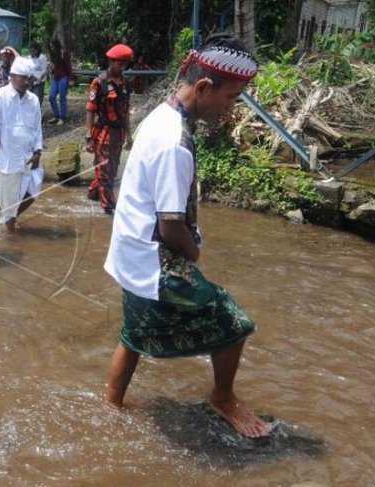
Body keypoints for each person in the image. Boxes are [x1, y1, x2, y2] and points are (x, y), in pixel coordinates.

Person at [103, 35, 271, 438]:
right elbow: (171, 224)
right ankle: (223, 397)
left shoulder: (158, 116)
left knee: (134, 331)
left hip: (128, 251)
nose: (231, 110)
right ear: (202, 88)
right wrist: (193, 254)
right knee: (235, 323)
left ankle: (111, 403)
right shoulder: (176, 142)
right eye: (230, 99)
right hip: (152, 259)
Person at [0, 57, 43, 234]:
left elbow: (37, 127)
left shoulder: (33, 100)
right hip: (6, 159)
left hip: (29, 156)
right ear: (13, 76)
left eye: (29, 78)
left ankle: (10, 219)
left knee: (34, 190)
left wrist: (38, 150)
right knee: (8, 201)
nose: (27, 82)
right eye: (23, 78)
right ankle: (9, 230)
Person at [86, 44, 134, 216]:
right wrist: (88, 137)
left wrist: (129, 135)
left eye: (125, 65)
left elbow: (126, 111)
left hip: (118, 134)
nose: (123, 68)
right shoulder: (99, 83)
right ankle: (108, 207)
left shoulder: (126, 84)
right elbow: (90, 110)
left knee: (112, 168)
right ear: (111, 61)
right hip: (103, 133)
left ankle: (93, 193)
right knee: (105, 169)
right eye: (120, 64)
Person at [48, 38, 72, 125]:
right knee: (51, 97)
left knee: (62, 97)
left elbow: (69, 66)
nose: (51, 48)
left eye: (53, 46)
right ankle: (56, 115)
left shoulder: (63, 53)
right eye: (50, 47)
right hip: (56, 78)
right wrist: (52, 70)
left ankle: (62, 117)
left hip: (64, 77)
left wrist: (71, 79)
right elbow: (55, 67)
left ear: (57, 46)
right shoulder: (53, 54)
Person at [29, 42, 48, 107]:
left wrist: (39, 80)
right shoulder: (29, 58)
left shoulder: (42, 57)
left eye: (33, 51)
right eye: (31, 51)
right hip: (31, 80)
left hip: (39, 81)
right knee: (30, 98)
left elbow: (44, 70)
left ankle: (37, 114)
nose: (32, 52)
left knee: (37, 98)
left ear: (37, 50)